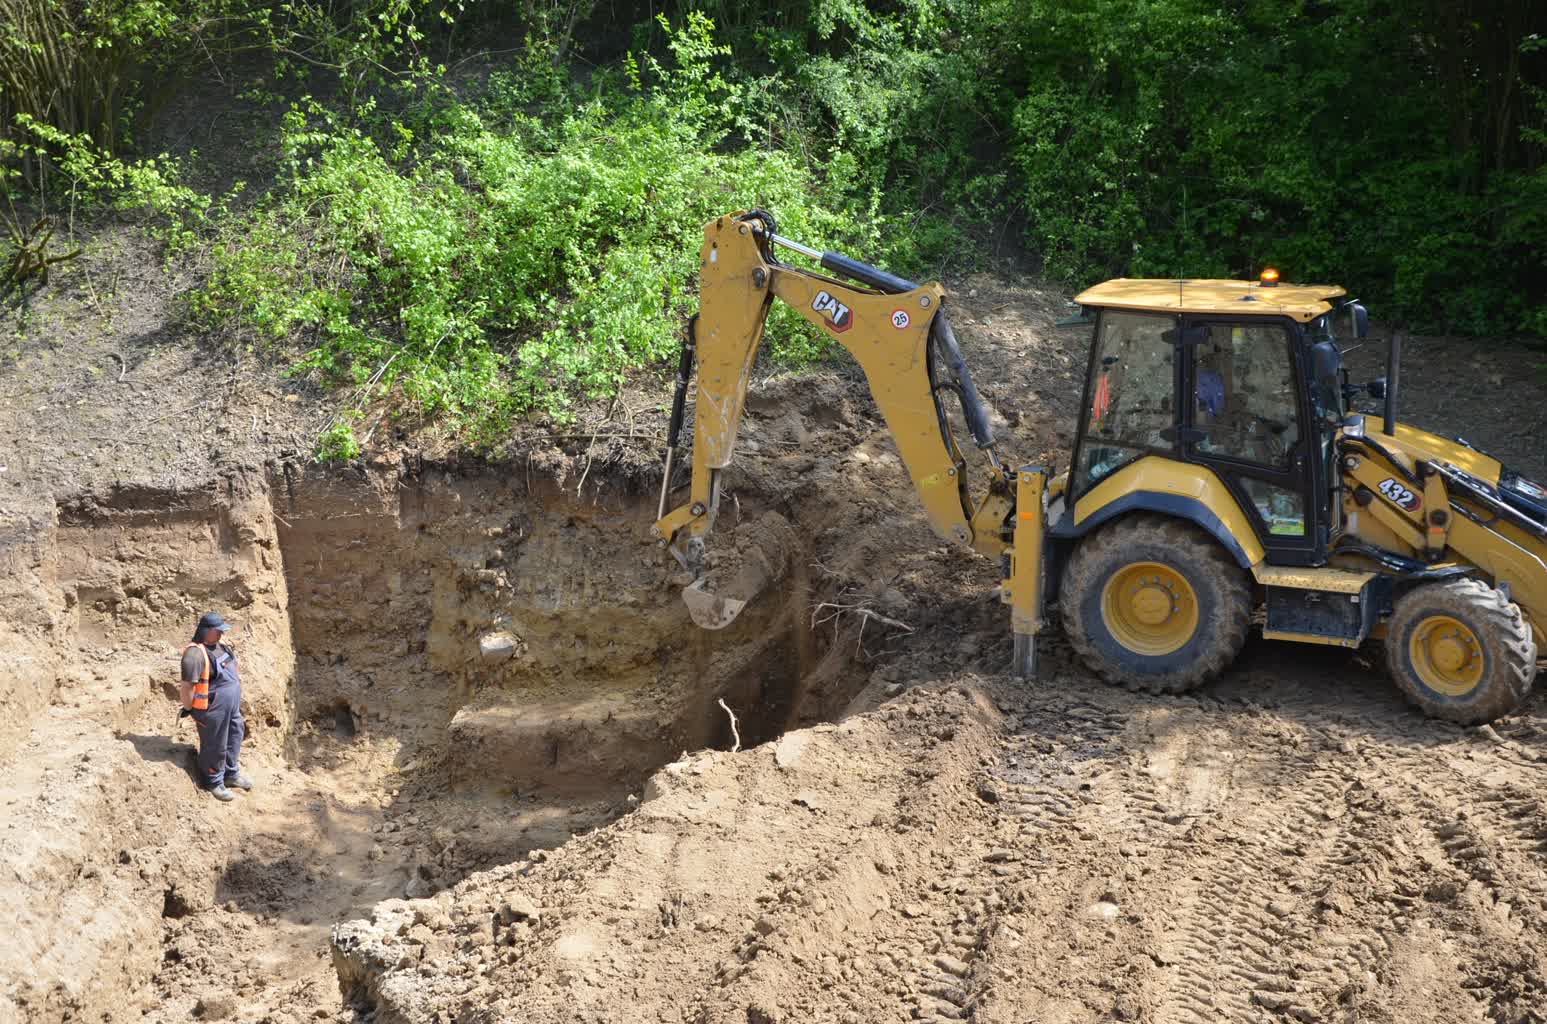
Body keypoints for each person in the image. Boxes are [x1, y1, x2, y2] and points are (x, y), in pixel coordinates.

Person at [179, 611, 251, 801]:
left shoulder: (222, 648)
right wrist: (189, 708)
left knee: (235, 736)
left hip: (231, 706)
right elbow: (187, 687)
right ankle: (213, 781)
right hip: (211, 709)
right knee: (215, 745)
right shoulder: (195, 654)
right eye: (217, 631)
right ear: (206, 631)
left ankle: (230, 774)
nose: (221, 634)